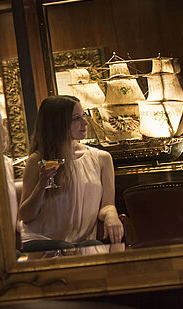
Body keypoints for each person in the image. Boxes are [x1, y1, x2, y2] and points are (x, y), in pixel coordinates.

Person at [19, 95, 124, 252]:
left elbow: (107, 205)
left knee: (90, 247)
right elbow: (26, 216)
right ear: (58, 124)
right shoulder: (37, 160)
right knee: (70, 248)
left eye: (83, 116)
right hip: (43, 242)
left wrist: (111, 215)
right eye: (76, 118)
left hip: (83, 242)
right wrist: (41, 186)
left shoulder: (102, 158)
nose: (84, 123)